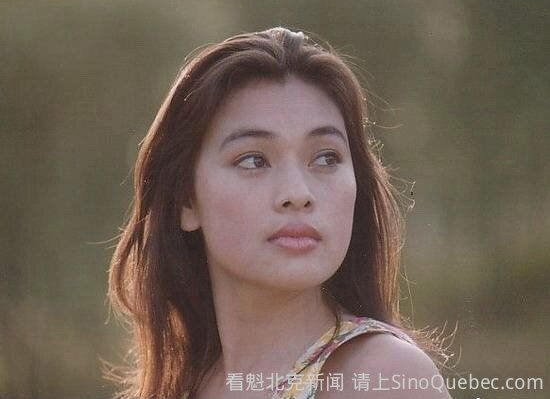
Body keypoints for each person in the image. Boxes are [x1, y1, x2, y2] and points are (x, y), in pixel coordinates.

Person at [106, 27, 453, 399]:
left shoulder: (383, 376)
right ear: (186, 201)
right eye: (254, 161)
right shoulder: (182, 386)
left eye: (326, 158)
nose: (298, 194)